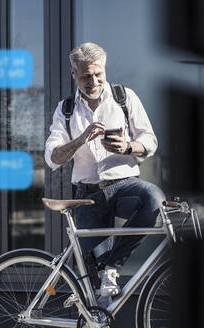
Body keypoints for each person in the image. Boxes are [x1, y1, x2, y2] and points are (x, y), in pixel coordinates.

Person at [44, 42, 165, 298]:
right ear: (73, 73)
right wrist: (80, 140)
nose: (94, 81)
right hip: (88, 196)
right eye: (86, 75)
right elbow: (52, 158)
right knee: (89, 281)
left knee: (154, 199)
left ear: (105, 69)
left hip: (124, 186)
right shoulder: (65, 110)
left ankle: (113, 265)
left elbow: (150, 141)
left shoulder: (124, 98)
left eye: (99, 74)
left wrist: (128, 147)